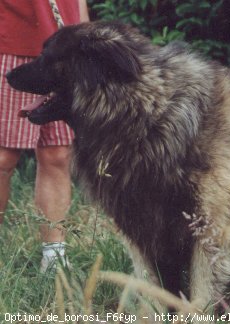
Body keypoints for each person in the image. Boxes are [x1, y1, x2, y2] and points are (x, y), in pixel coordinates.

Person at [0, 0, 89, 272]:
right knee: (4, 157)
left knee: (58, 154)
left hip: (65, 47)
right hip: (14, 42)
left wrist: (84, 34)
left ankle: (53, 257)